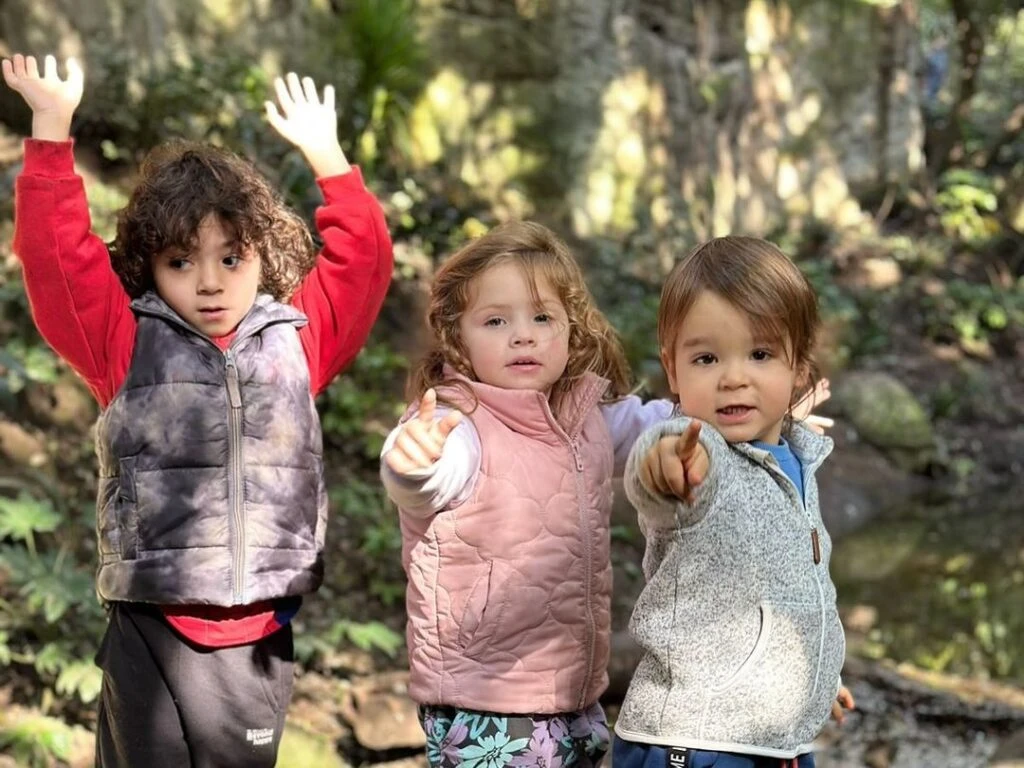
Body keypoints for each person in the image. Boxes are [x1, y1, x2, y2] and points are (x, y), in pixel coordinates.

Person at [3, 53, 393, 767]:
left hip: (256, 641)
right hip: (149, 629)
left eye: (231, 258)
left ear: (262, 256)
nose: (209, 282)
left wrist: (330, 159)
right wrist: (52, 128)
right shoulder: (123, 342)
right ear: (150, 266)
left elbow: (363, 264)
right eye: (181, 262)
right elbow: (56, 256)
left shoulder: (299, 341)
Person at [379, 220, 677, 767]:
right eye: (496, 321)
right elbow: (425, 480)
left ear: (571, 330)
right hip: (487, 700)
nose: (524, 335)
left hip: (572, 690)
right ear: (457, 336)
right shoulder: (458, 421)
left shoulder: (584, 419)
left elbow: (653, 425)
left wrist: (729, 410)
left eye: (543, 318)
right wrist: (412, 463)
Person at [612, 235, 854, 768]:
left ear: (799, 369)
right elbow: (659, 471)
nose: (734, 377)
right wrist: (669, 463)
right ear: (673, 370)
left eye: (761, 354)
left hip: (775, 735)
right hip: (696, 742)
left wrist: (816, 676)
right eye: (706, 357)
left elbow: (798, 591)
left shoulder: (797, 462)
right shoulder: (702, 456)